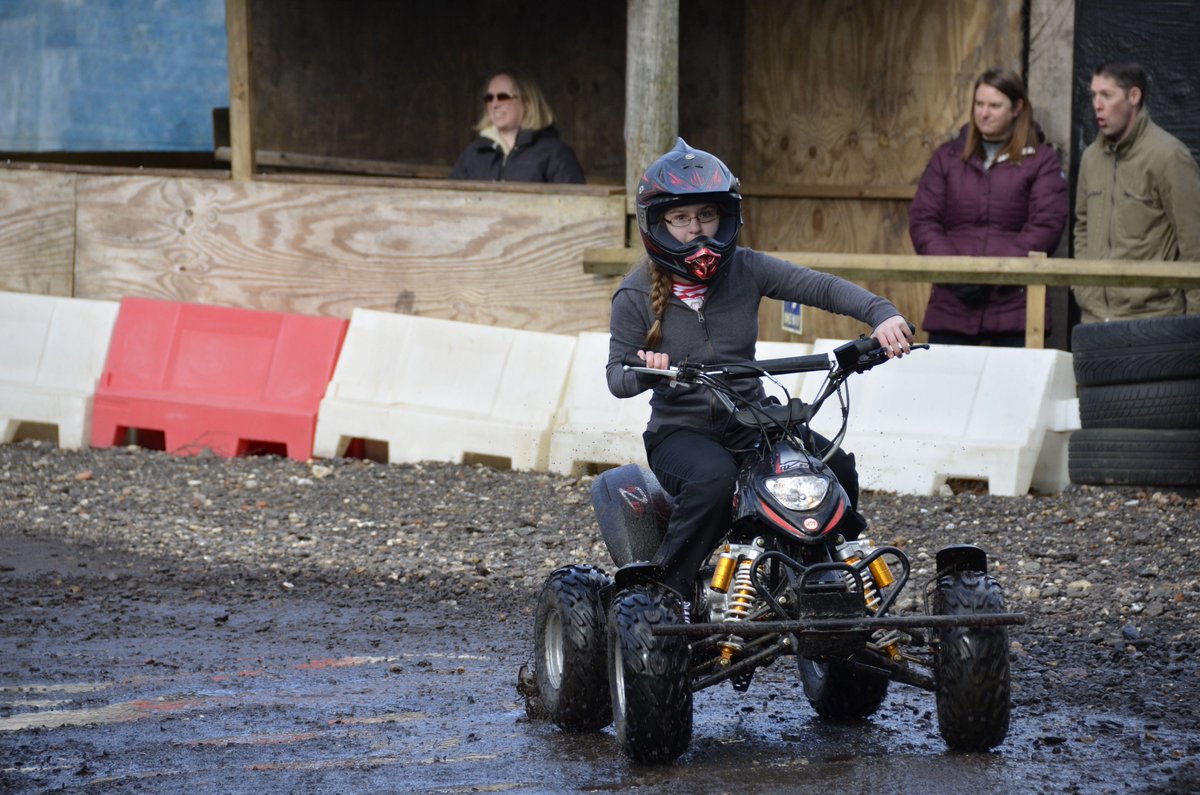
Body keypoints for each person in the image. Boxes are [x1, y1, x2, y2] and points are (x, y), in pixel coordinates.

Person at [605, 138, 913, 608]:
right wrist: (648, 372)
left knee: (834, 466)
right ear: (659, 224)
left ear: (725, 217)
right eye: (681, 219)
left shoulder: (746, 268)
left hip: (754, 420)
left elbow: (819, 286)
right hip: (680, 432)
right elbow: (616, 377)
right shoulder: (634, 293)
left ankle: (828, 579)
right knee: (715, 480)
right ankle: (667, 593)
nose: (696, 230)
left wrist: (881, 313)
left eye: (706, 215)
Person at [909, 68, 1068, 346]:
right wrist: (957, 273)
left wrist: (993, 274)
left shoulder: (1041, 160)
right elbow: (924, 220)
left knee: (1015, 387)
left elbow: (1046, 225)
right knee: (948, 387)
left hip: (1014, 305)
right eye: (979, 104)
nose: (984, 113)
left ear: (1017, 108)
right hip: (953, 302)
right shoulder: (947, 157)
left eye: (995, 105)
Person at [1073, 61, 1200, 323]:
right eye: (1094, 95)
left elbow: (1194, 242)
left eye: (1107, 95)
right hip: (1094, 319)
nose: (1097, 104)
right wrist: (1083, 287)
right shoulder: (1091, 158)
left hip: (1153, 317)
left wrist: (1195, 319)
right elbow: (1082, 227)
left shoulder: (1169, 156)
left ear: (1134, 96)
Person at [449, 68, 585, 184]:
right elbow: (449, 202)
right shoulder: (474, 153)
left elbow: (577, 207)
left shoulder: (555, 153)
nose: (494, 104)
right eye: (489, 98)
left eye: (503, 96)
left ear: (528, 104)